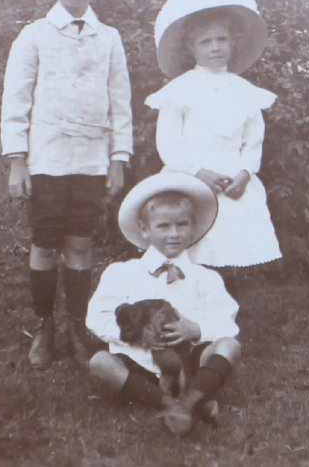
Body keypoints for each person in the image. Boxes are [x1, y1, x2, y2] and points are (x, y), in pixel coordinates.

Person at [0, 0, 132, 369]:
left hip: (90, 160)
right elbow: (16, 100)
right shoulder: (34, 36)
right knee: (45, 243)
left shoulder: (109, 38)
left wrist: (119, 157)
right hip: (48, 158)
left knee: (80, 243)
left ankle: (76, 324)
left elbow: (120, 100)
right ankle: (44, 326)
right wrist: (18, 161)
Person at [144, 0, 282, 290]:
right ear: (191, 48)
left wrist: (246, 173)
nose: (216, 47)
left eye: (222, 39)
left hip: (232, 181)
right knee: (192, 249)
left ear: (234, 42)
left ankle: (224, 316)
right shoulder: (180, 90)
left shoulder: (245, 91)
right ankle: (187, 312)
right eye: (206, 42)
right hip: (192, 178)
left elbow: (253, 139)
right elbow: (168, 143)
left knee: (229, 248)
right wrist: (197, 171)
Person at [87, 172, 241, 436]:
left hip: (190, 361)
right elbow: (96, 317)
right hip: (139, 360)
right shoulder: (122, 272)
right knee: (100, 362)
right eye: (164, 226)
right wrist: (135, 334)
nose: (174, 234)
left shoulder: (205, 277)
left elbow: (226, 320)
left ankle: (190, 399)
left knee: (230, 345)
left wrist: (197, 330)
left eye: (182, 225)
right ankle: (170, 402)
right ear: (145, 230)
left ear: (192, 227)